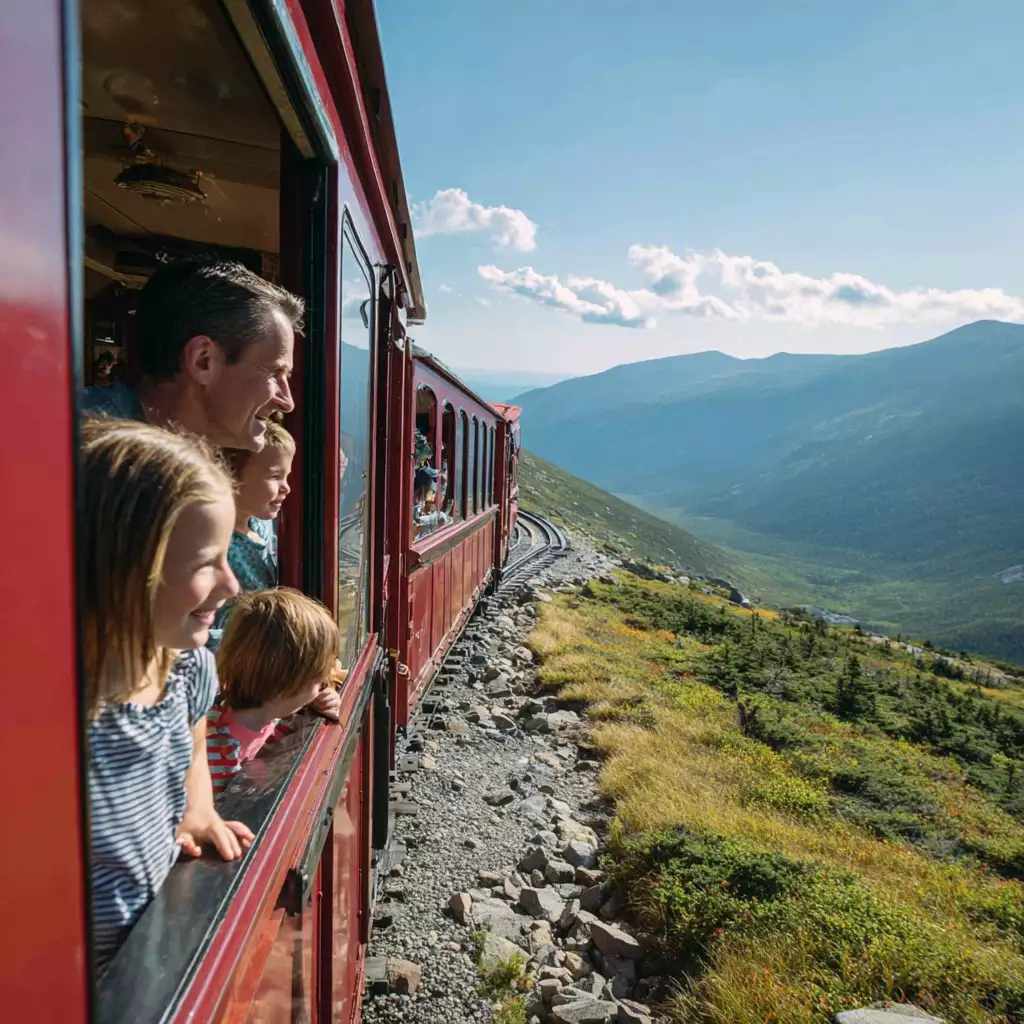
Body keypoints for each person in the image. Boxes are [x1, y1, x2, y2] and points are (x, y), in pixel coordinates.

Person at [80, 418, 254, 972]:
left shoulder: (185, 671)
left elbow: (194, 741)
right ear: (120, 569)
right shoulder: (49, 717)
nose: (232, 585)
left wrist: (198, 806)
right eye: (207, 563)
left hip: (147, 958)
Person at [82, 258, 303, 451]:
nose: (287, 402)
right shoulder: (83, 450)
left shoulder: (144, 453)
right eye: (274, 373)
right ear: (202, 361)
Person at [207, 589, 347, 795]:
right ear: (285, 684)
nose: (325, 684)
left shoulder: (276, 717)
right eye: (318, 677)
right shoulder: (215, 756)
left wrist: (321, 704)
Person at [207, 420, 294, 650]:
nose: (286, 487)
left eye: (287, 476)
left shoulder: (263, 524)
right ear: (232, 474)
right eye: (275, 476)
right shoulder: (216, 544)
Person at [412, 466, 450, 537]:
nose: (431, 485)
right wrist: (430, 521)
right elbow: (415, 523)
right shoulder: (414, 499)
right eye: (429, 482)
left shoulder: (421, 499)